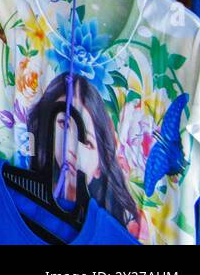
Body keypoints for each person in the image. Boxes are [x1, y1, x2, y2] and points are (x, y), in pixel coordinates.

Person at [27, 74, 140, 235]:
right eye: (64, 124)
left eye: (88, 143)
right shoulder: (25, 196)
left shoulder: (114, 231)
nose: (72, 147)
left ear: (99, 167)